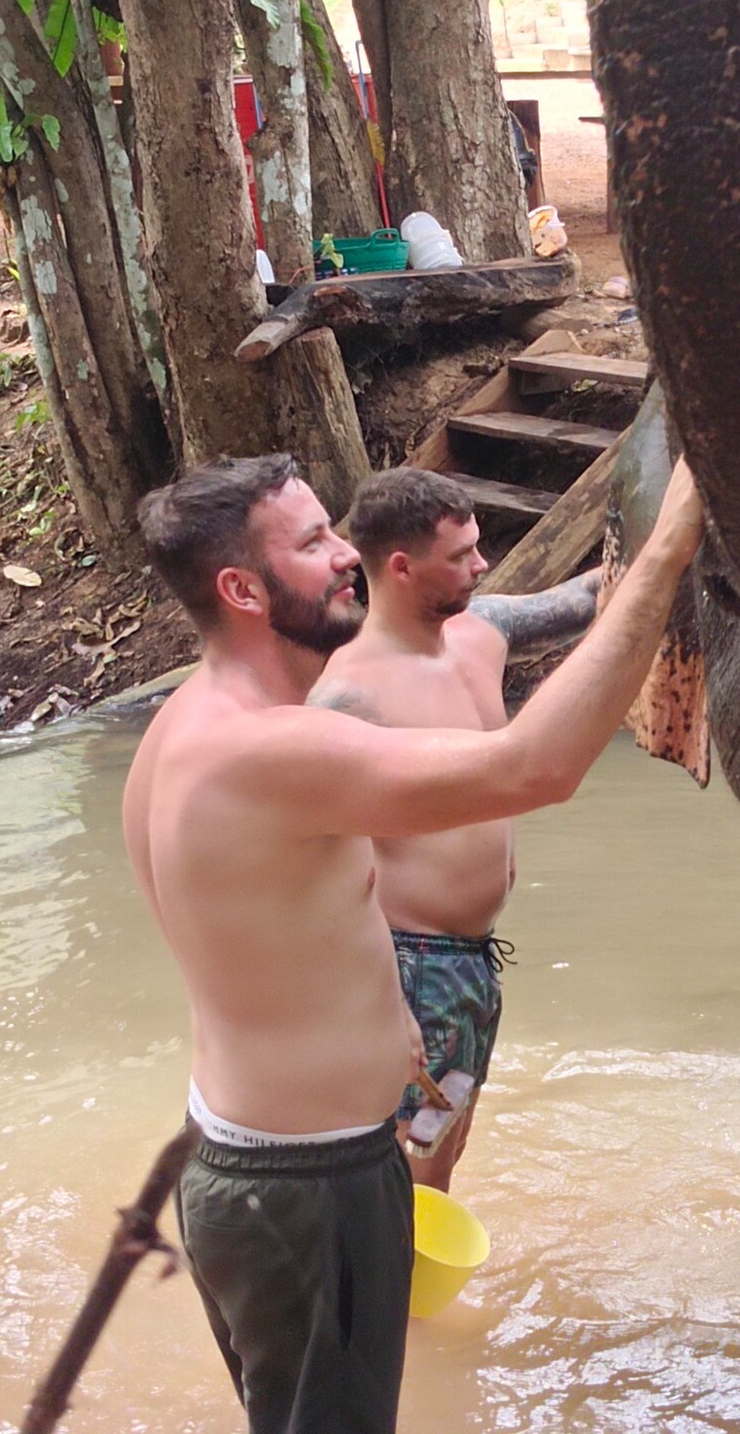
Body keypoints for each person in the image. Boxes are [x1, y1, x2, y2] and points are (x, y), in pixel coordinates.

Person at [122, 451, 703, 1434]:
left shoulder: (192, 723)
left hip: (260, 1168)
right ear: (240, 588)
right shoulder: (266, 751)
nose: (350, 553)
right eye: (313, 543)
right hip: (308, 1186)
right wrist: (672, 546)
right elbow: (536, 766)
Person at [307, 469, 600, 1194]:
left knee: (448, 1143)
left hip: (471, 962)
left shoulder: (485, 631)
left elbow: (593, 598)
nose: (482, 564)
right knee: (406, 1160)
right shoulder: (346, 698)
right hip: (407, 966)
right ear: (401, 568)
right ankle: (390, 1299)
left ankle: (417, 1298)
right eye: (462, 554)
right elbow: (311, 873)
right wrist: (374, 996)